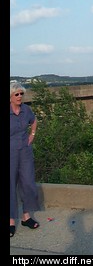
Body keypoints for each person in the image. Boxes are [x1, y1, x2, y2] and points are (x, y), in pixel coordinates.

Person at [10, 82, 40, 237]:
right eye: (17, 94)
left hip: (25, 152)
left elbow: (34, 121)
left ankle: (26, 217)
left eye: (21, 94)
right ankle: (11, 222)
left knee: (28, 183)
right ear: (10, 96)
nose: (20, 96)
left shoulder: (26, 110)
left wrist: (32, 135)